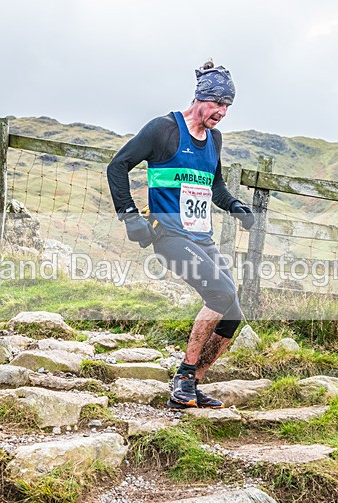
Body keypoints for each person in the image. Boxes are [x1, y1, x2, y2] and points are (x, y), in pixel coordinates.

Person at [106, 61, 255, 408]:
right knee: (221, 294)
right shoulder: (164, 130)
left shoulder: (214, 139)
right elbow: (118, 165)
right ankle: (183, 378)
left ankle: (193, 384)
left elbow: (214, 186)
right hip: (170, 237)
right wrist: (129, 216)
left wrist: (234, 205)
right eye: (217, 104)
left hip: (202, 238)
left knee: (232, 312)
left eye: (227, 107)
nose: (221, 113)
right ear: (200, 98)